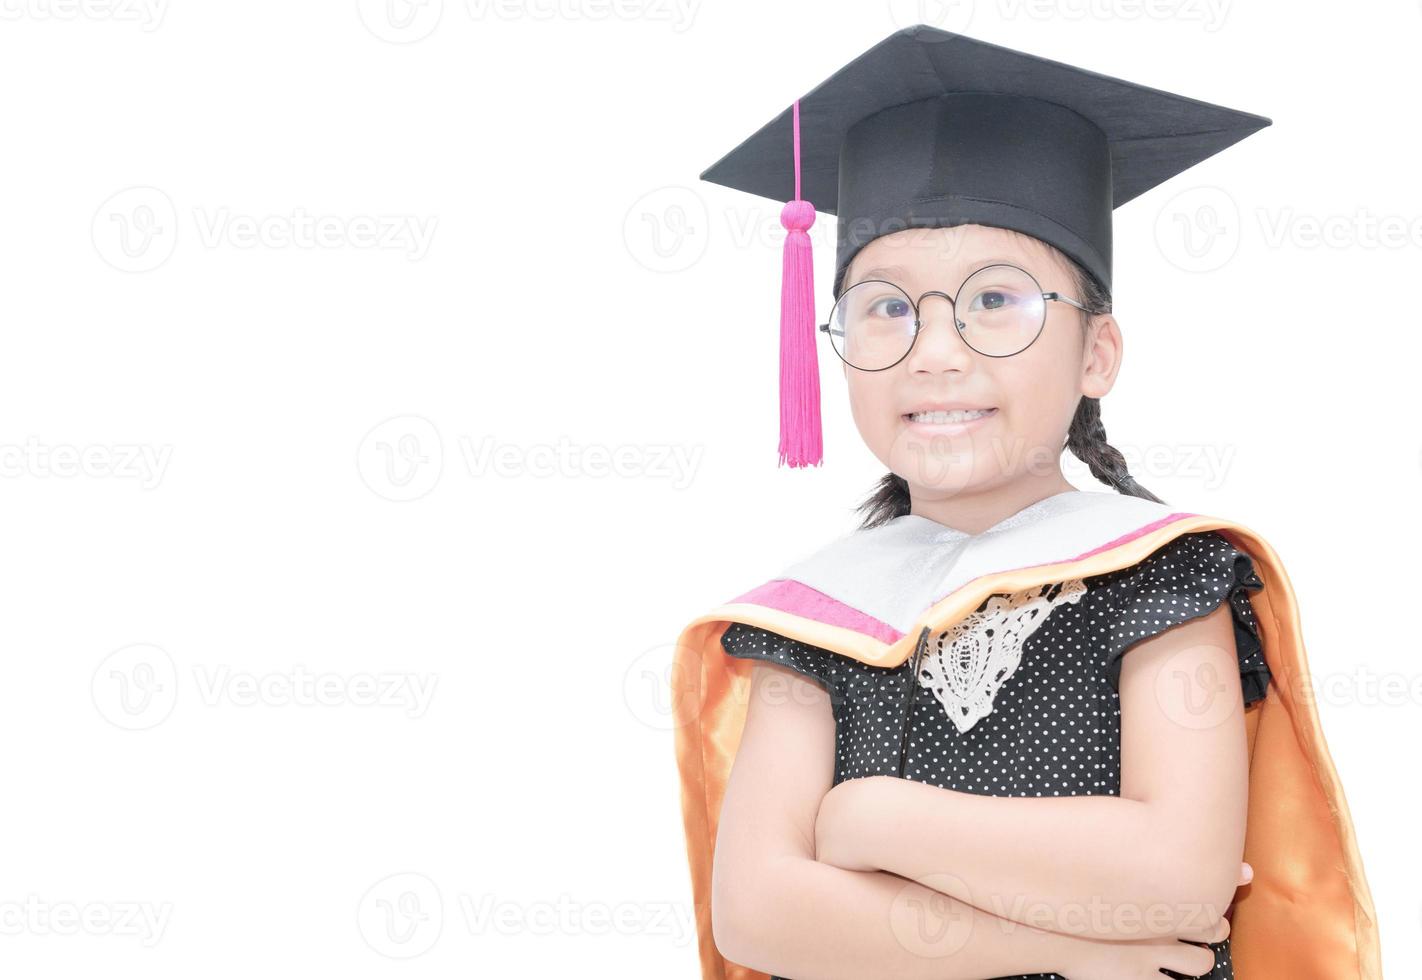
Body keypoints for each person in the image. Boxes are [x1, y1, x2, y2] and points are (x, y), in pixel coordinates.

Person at [669, 24, 1381, 980]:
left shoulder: (1162, 573)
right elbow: (755, 913)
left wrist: (867, 817)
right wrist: (1056, 945)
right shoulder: (817, 618)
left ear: (1098, 354)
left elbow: (1175, 878)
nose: (935, 349)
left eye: (995, 300)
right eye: (885, 306)